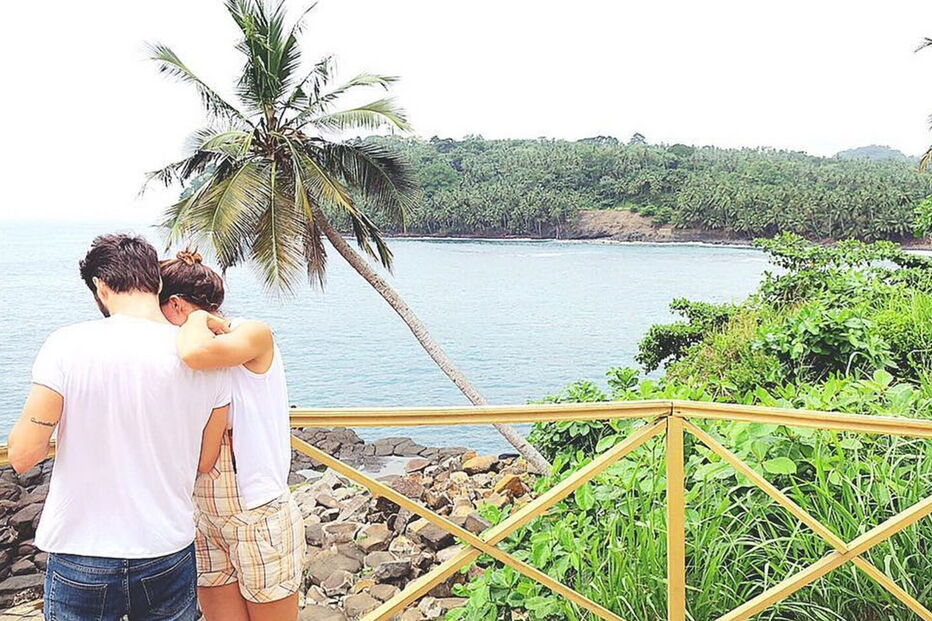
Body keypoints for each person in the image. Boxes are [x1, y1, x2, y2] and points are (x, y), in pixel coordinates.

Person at [7, 234, 231, 620]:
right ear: (156, 283)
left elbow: (24, 456)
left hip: (83, 550)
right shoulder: (206, 357)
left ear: (101, 286)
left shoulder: (66, 345)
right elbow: (205, 460)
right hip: (167, 547)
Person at [159, 250, 305, 621]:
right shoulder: (174, 350)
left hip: (257, 513)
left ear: (174, 305)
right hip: (202, 512)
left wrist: (198, 320)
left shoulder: (253, 334)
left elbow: (196, 351)